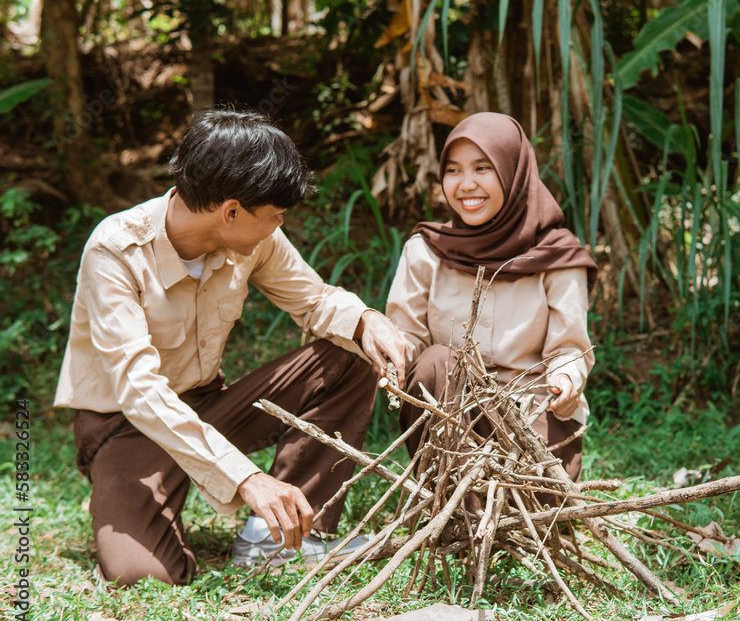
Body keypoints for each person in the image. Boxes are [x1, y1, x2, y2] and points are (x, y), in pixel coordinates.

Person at [54, 109, 407, 586]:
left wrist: (367, 319)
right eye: (276, 213)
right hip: (125, 427)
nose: (281, 222)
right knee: (144, 575)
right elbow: (139, 391)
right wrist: (246, 478)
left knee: (349, 350)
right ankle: (175, 497)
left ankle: (288, 534)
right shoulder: (115, 251)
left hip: (206, 404)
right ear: (232, 210)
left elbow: (315, 300)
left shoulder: (254, 238)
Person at [386, 112, 597, 487]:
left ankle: (478, 512)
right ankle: (457, 506)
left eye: (483, 168)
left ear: (513, 171)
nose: (466, 184)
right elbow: (407, 340)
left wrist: (566, 382)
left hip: (533, 424)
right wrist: (392, 362)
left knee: (532, 501)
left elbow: (570, 349)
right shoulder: (425, 252)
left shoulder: (558, 255)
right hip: (451, 430)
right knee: (437, 360)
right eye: (453, 170)